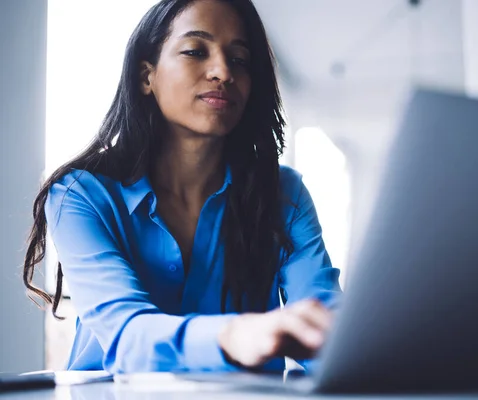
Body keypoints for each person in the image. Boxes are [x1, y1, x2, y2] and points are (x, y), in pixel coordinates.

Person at [22, 0, 341, 374]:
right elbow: (126, 334)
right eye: (195, 51)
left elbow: (325, 326)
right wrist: (235, 335)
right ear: (146, 76)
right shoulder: (80, 194)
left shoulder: (284, 194)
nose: (223, 71)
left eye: (240, 59)